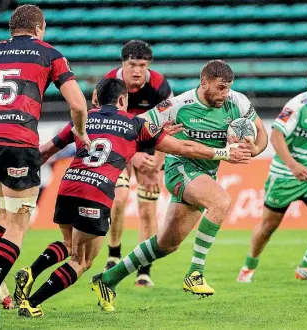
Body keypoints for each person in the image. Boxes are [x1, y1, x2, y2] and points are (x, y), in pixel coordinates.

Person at [14, 78, 251, 317]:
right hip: (96, 192)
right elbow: (184, 148)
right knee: (82, 260)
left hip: (67, 186)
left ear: (98, 98)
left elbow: (45, 151)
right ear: (121, 99)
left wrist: (19, 170)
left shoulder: (84, 120)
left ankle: (31, 272)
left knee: (67, 244)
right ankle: (32, 302)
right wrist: (223, 152)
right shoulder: (135, 124)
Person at [0, 4, 89, 322]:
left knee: (4, 216)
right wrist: (80, 131)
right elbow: (78, 102)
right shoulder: (49, 53)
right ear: (40, 27)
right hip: (19, 141)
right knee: (20, 221)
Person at [90, 60, 268, 312]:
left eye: (228, 88)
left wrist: (254, 150)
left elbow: (261, 132)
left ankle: (107, 280)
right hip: (180, 170)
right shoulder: (177, 105)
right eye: (220, 88)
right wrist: (137, 153)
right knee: (220, 201)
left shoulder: (237, 102)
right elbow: (136, 127)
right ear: (204, 83)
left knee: (166, 245)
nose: (225, 94)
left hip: (206, 174)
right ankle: (195, 273)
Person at [237, 61, 307, 283]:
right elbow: (276, 136)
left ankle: (306, 267)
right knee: (268, 227)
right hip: (284, 176)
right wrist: (293, 165)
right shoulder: (297, 106)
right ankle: (248, 267)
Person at [93, 40, 173, 286]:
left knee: (148, 207)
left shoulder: (160, 86)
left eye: (143, 65)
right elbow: (99, 127)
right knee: (118, 199)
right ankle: (114, 255)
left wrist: (155, 166)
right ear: (122, 64)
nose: (138, 70)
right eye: (132, 64)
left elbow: (169, 127)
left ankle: (143, 269)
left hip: (149, 146)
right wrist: (131, 155)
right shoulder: (106, 85)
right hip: (117, 145)